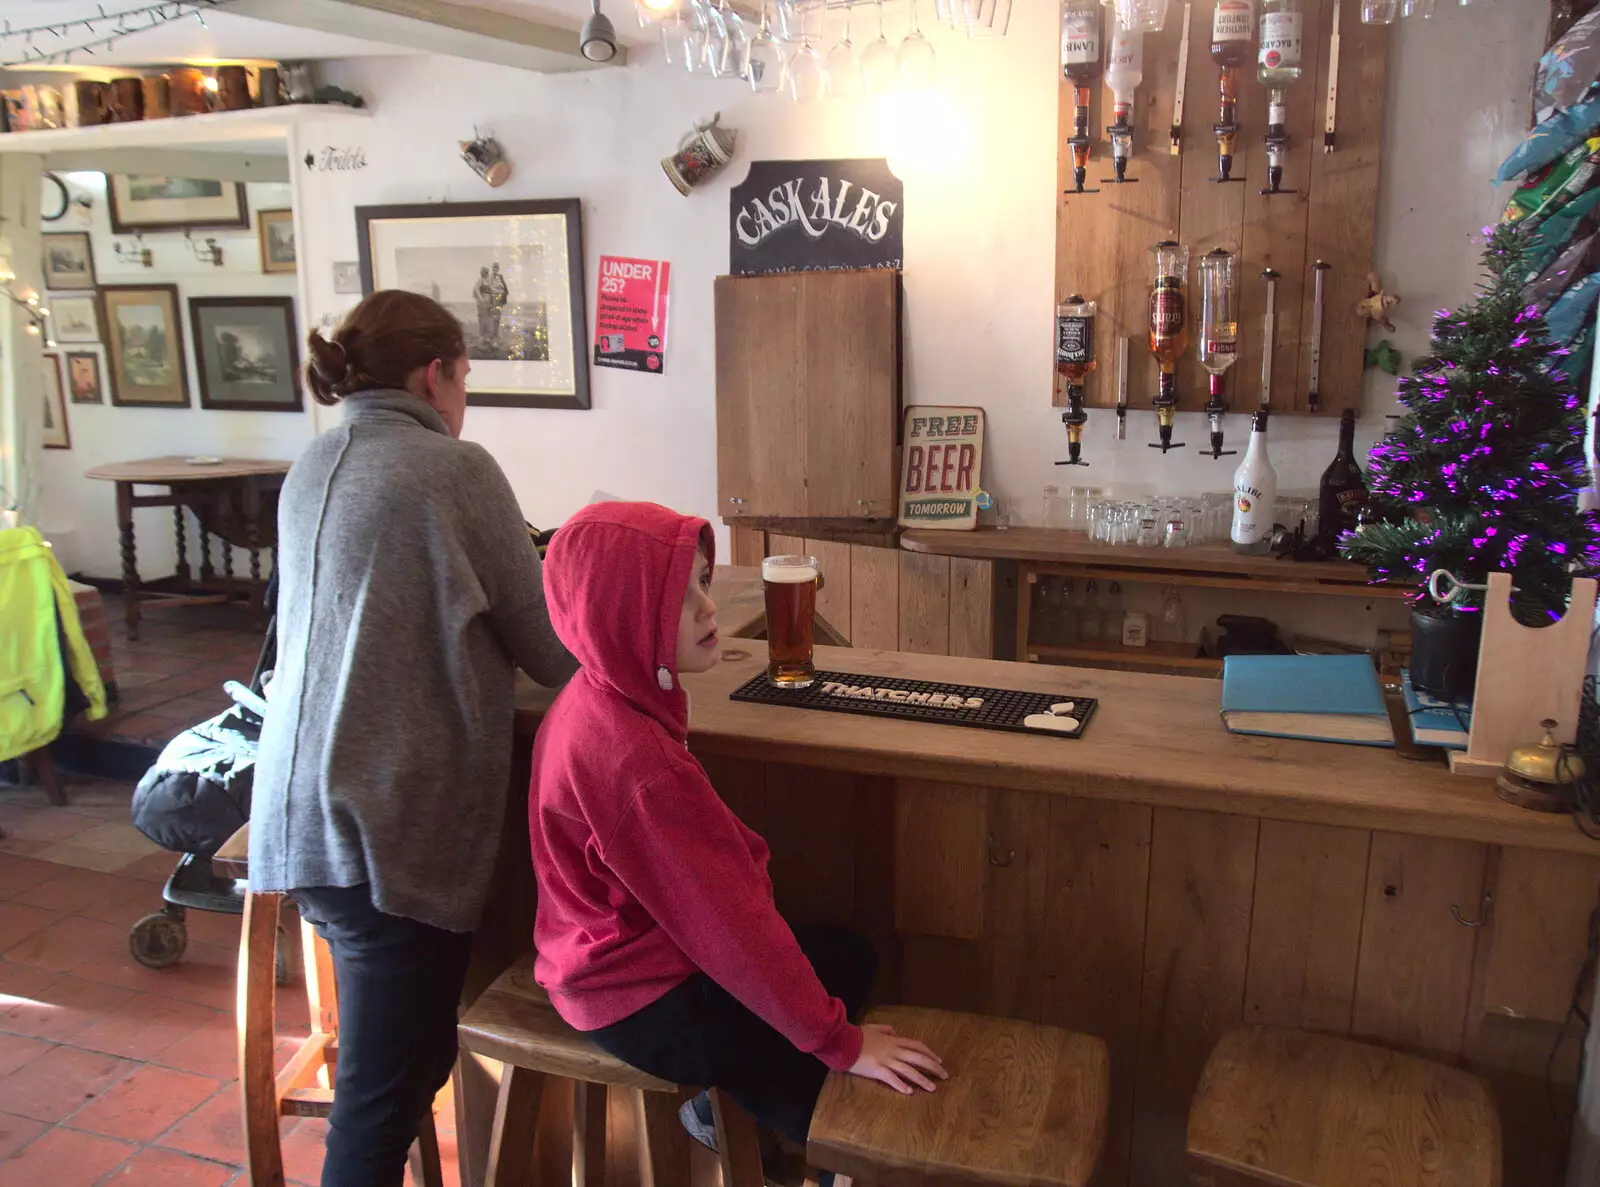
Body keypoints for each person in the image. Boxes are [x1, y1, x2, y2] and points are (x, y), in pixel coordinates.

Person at [251, 289, 577, 1187]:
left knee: (398, 1071)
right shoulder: (456, 469)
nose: (464, 398)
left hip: (301, 816)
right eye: (466, 377)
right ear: (436, 375)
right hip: (384, 826)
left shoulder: (313, 462)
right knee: (380, 1103)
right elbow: (551, 653)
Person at [530, 502, 945, 1159]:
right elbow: (733, 929)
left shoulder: (590, 696)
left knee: (842, 959)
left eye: (702, 581)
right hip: (638, 997)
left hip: (587, 967)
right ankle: (836, 1153)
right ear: (619, 617)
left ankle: (724, 1112)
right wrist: (845, 1042)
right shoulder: (643, 765)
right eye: (681, 593)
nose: (707, 606)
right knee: (802, 1024)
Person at [488, 262, 509, 345]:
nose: (495, 269)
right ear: (492, 268)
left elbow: (505, 289)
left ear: (498, 269)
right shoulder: (490, 277)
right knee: (494, 317)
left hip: (499, 298)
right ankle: (494, 336)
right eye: (494, 268)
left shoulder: (500, 277)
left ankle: (496, 335)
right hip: (494, 297)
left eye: (496, 268)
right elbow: (489, 289)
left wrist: (503, 294)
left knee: (498, 318)